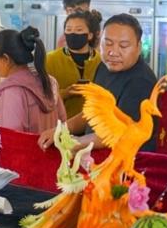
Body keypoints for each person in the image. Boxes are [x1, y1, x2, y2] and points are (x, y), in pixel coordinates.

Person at [39, 14, 158, 152]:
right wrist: (60, 130)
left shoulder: (141, 82)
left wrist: (73, 142)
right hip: (95, 157)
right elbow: (91, 113)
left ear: (138, 47)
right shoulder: (103, 67)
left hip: (128, 164)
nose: (113, 52)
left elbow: (119, 134)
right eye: (108, 43)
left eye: (123, 45)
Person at [0, 27, 66, 133]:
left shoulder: (11, 92)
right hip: (50, 149)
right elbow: (63, 124)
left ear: (6, 59)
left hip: (25, 149)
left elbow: (10, 140)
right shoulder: (49, 81)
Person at [46, 10, 102, 118]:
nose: (73, 33)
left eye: (79, 30)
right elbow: (42, 97)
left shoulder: (101, 61)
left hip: (93, 125)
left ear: (90, 35)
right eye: (69, 29)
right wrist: (66, 93)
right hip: (58, 125)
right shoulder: (50, 59)